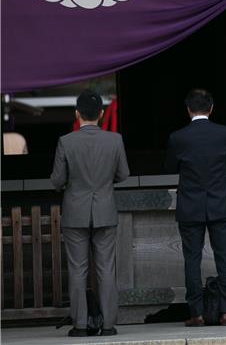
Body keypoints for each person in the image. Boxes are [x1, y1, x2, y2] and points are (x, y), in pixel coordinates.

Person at [50, 90, 129, 337]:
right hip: (105, 209)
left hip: (75, 211)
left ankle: (81, 325)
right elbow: (123, 174)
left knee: (77, 269)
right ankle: (107, 325)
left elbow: (57, 180)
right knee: (106, 268)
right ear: (102, 114)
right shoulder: (115, 140)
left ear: (77, 114)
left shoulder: (66, 141)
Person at [165, 89, 226, 327]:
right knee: (224, 257)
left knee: (192, 259)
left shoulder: (178, 137)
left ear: (188, 110)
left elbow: (170, 167)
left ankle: (196, 313)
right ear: (211, 108)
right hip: (221, 203)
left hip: (191, 205)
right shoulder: (223, 133)